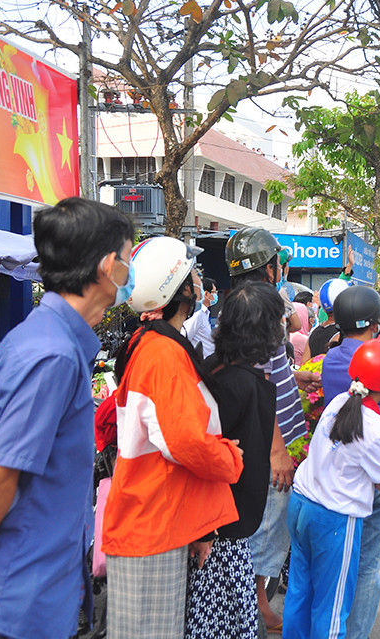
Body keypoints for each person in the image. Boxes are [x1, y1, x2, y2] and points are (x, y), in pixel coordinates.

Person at [0, 198, 134, 639]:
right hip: (19, 604)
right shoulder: (50, 354)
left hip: (41, 593)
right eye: (127, 260)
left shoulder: (58, 344)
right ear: (107, 267)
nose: (129, 274)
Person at [104, 237, 244, 638]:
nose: (200, 283)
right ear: (178, 289)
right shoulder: (163, 354)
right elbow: (185, 441)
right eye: (193, 276)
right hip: (151, 526)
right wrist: (229, 458)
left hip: (154, 520)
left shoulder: (151, 345)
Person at [226, 227, 319, 633]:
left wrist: (294, 378)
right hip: (268, 446)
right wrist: (276, 450)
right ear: (268, 268)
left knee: (264, 534)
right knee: (262, 536)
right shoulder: (260, 310)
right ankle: (256, 611)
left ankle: (257, 605)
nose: (282, 268)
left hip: (269, 439)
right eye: (278, 262)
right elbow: (255, 384)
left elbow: (263, 370)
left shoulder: (241, 308)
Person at [284, 339, 380, 639]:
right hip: (334, 520)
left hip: (301, 504)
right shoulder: (378, 430)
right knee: (332, 608)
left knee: (300, 594)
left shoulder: (340, 402)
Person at [185, 283, 285, 639]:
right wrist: (208, 529)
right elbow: (206, 458)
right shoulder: (233, 383)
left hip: (223, 528)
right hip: (219, 531)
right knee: (225, 621)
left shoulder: (217, 369)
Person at [183, 276, 218, 358]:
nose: (216, 295)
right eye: (214, 292)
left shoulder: (205, 314)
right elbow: (185, 337)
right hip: (201, 363)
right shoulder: (197, 314)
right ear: (206, 294)